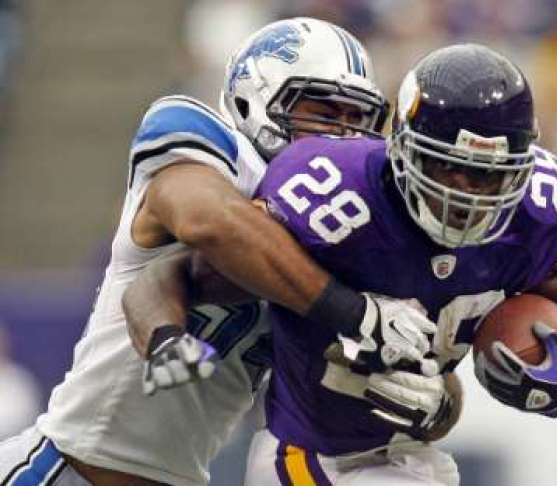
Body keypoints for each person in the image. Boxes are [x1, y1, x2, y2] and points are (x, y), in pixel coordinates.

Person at [137, 43, 557, 485]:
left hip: (412, 458)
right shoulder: (336, 198)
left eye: (487, 176)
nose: (464, 192)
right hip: (309, 458)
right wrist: (166, 337)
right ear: (402, 148)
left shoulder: (537, 213)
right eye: (446, 165)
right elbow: (176, 273)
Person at [0, 18, 438, 486]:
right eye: (324, 113)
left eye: (357, 120)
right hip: (65, 469)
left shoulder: (343, 233)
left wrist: (430, 396)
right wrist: (353, 312)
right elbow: (206, 221)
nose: (342, 138)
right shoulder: (206, 141)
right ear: (255, 99)